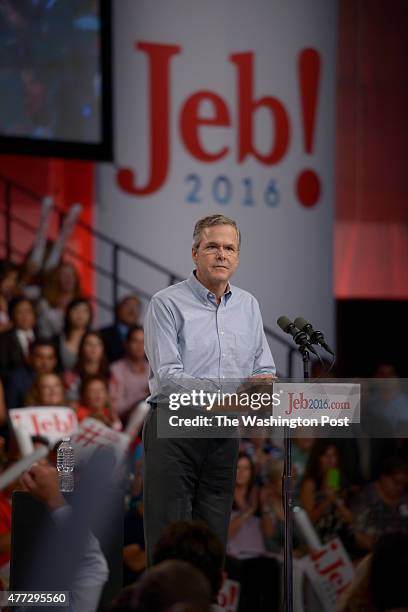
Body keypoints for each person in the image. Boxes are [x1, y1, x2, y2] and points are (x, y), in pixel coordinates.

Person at [143, 214, 275, 565]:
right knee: (170, 543)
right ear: (194, 253)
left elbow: (264, 368)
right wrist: (230, 396)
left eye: (229, 248)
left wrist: (264, 385)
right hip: (175, 430)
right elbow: (170, 379)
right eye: (212, 246)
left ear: (237, 257)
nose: (221, 254)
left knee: (212, 546)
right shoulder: (166, 303)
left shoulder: (248, 305)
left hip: (223, 436)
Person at [110, 325, 149, 426]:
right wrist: (140, 402)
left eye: (143, 342)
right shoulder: (116, 369)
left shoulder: (152, 369)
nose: (140, 346)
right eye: (135, 341)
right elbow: (116, 408)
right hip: (127, 422)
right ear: (126, 344)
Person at [5, 339, 58, 409]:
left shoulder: (58, 378)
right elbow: (10, 410)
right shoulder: (16, 380)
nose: (45, 363)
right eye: (40, 357)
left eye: (50, 358)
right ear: (29, 358)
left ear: (55, 361)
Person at [0, 296, 36, 383]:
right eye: (20, 312)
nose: (25, 316)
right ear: (12, 315)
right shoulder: (3, 340)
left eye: (28, 311)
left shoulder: (42, 335)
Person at [99, 295, 141, 364]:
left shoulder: (147, 335)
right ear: (119, 309)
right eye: (128, 305)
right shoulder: (103, 334)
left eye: (136, 307)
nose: (132, 310)